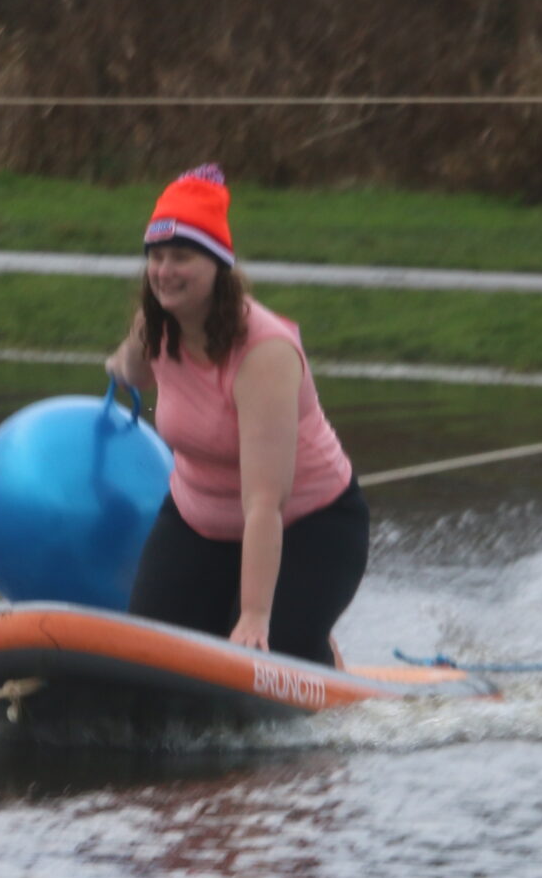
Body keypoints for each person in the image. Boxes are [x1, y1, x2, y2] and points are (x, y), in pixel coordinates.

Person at [105, 164, 368, 665]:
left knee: (260, 653)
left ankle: (315, 650)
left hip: (306, 526)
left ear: (218, 265)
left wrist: (254, 616)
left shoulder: (265, 352)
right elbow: (133, 371)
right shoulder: (157, 323)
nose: (165, 271)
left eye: (181, 257)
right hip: (196, 521)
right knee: (147, 659)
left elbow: (266, 500)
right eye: (156, 256)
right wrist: (121, 361)